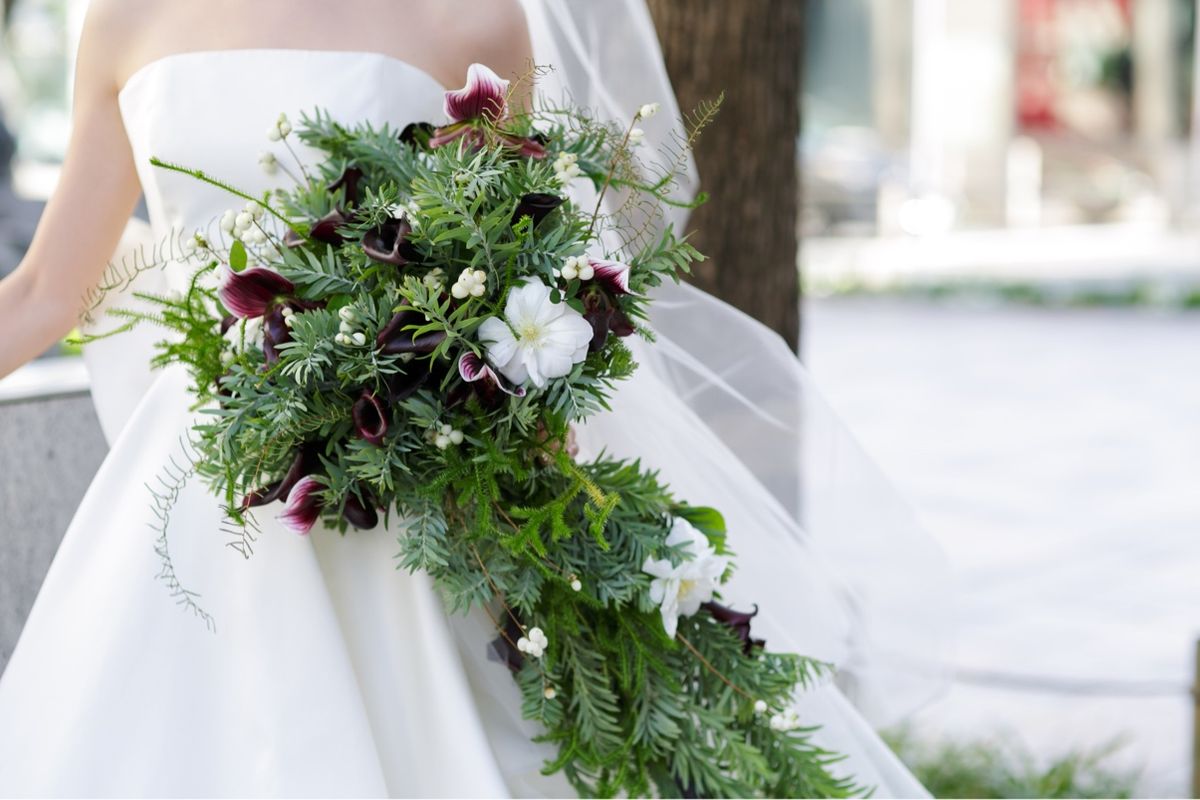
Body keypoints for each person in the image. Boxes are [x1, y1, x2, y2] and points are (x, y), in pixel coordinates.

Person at [0, 0, 950, 795]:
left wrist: (547, 525)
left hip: (409, 477)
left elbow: (520, 259)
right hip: (201, 477)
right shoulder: (125, 20)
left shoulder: (468, 17)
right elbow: (46, 290)